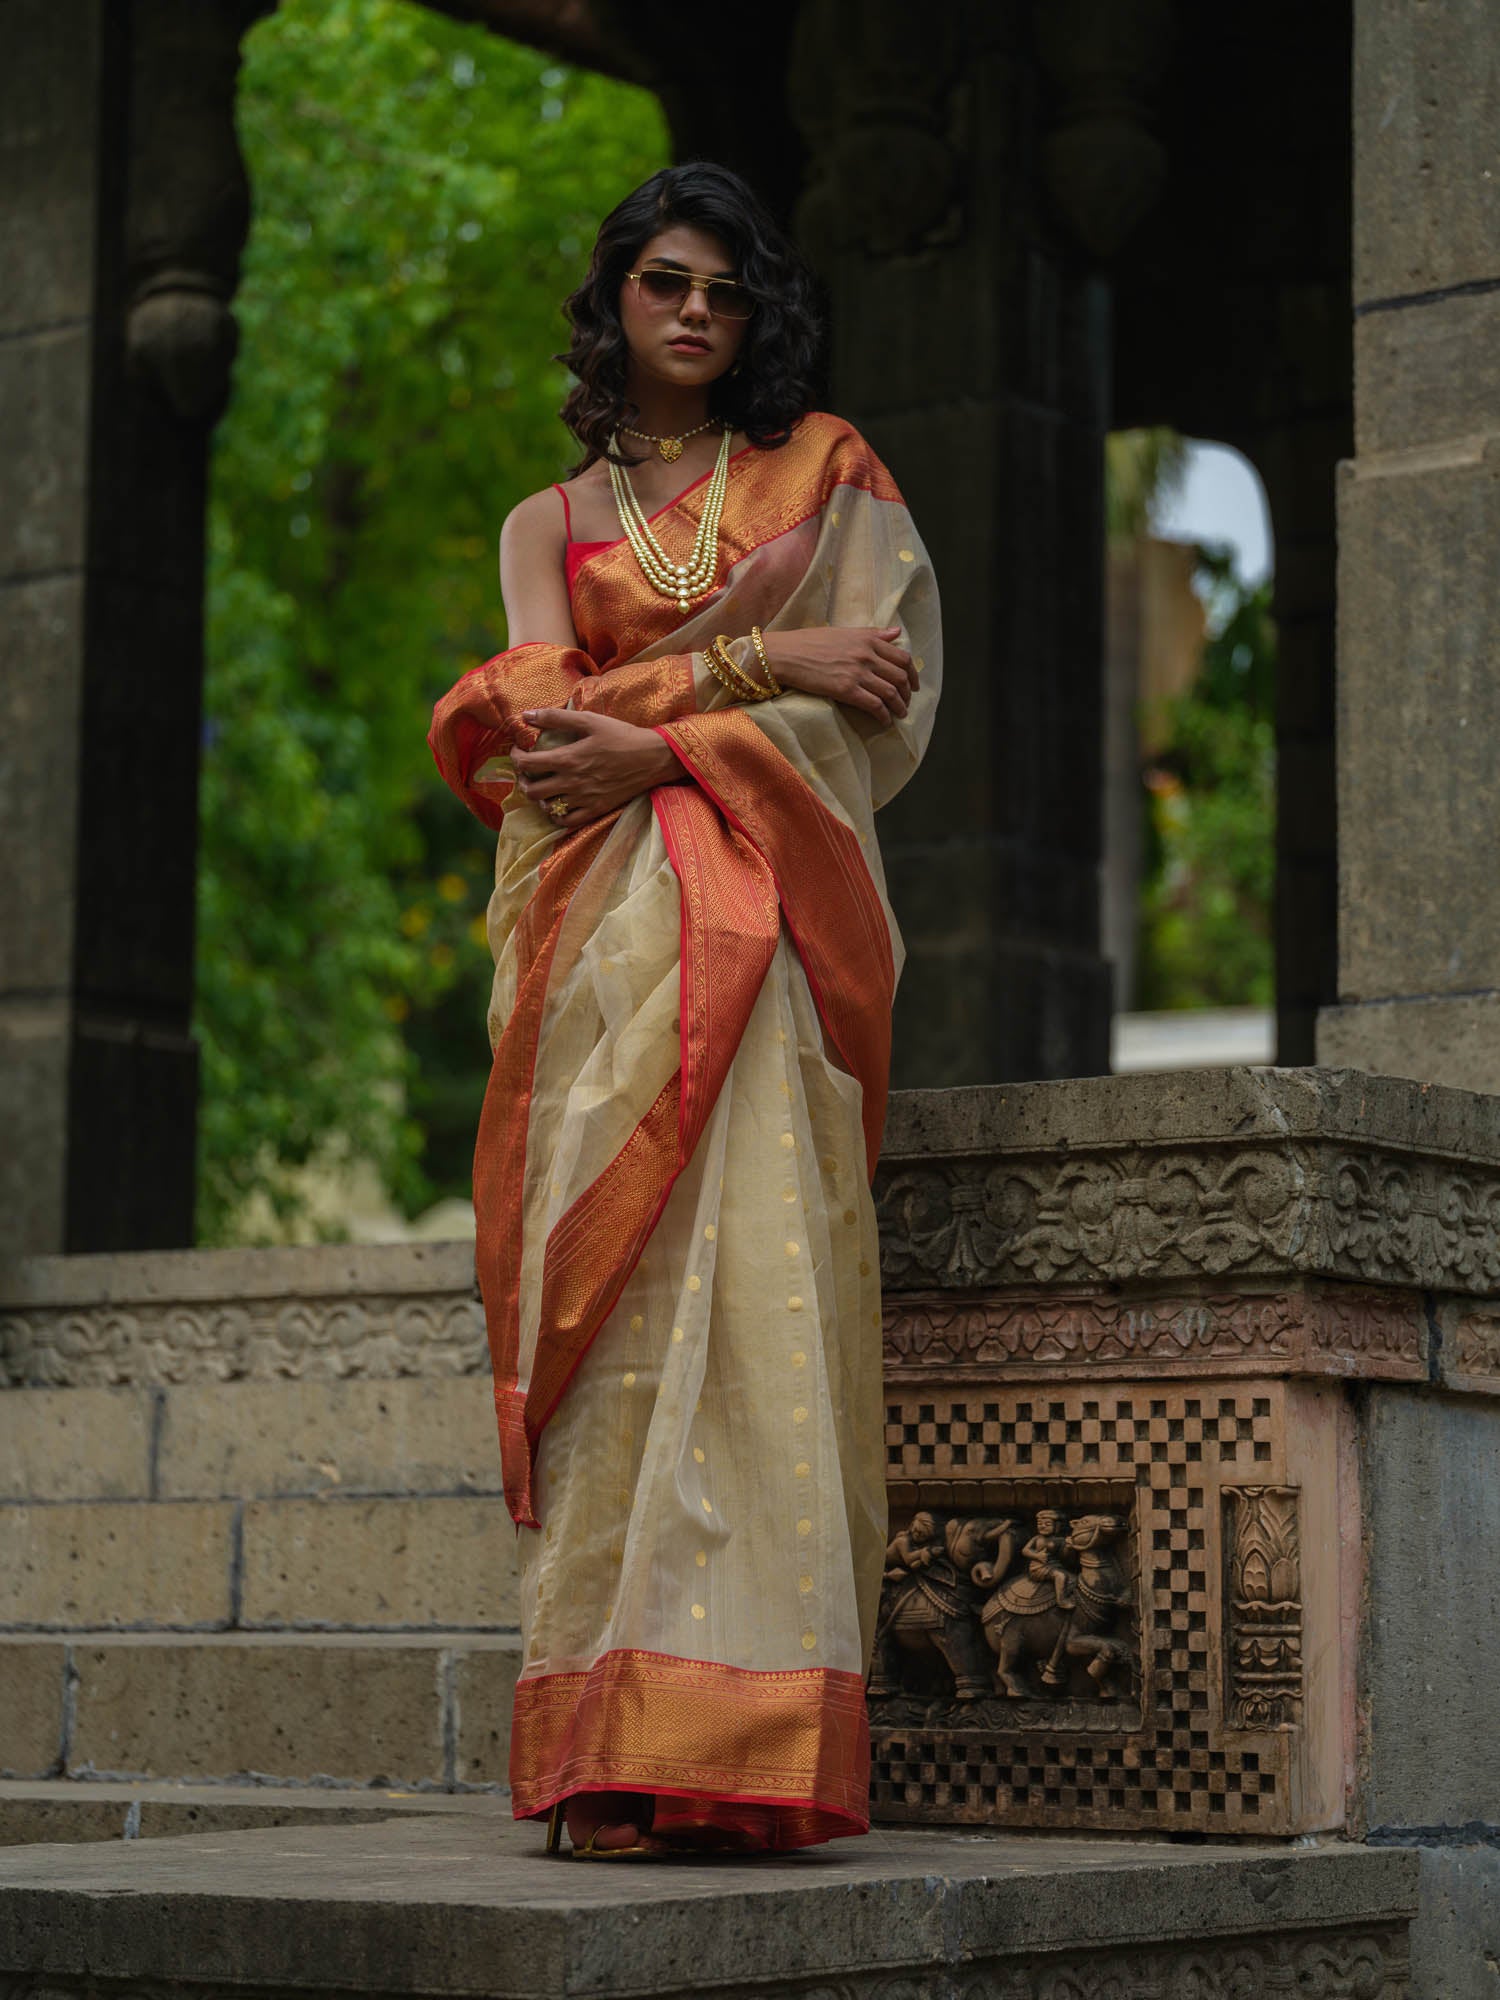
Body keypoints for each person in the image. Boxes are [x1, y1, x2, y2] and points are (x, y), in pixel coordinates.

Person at [428, 161, 942, 1859]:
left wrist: (673, 726)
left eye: (725, 288)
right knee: (624, 1311)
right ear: (616, 301)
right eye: (667, 282)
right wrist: (753, 668)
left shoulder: (825, 478)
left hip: (766, 937)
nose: (698, 313)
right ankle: (604, 1747)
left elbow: (876, 697)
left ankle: (746, 1738)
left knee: (767, 1300)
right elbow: (541, 750)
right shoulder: (546, 527)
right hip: (602, 963)